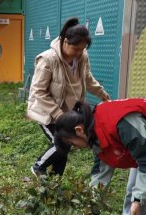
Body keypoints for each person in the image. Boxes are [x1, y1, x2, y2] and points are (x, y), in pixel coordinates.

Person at [27, 17, 110, 176]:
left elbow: (88, 79)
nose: (79, 53)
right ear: (65, 41)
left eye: (83, 49)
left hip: (69, 113)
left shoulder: (82, 57)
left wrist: (103, 95)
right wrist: (58, 114)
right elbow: (38, 92)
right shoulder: (48, 59)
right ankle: (38, 167)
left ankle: (54, 181)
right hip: (47, 112)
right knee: (61, 143)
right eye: (76, 49)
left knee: (65, 146)